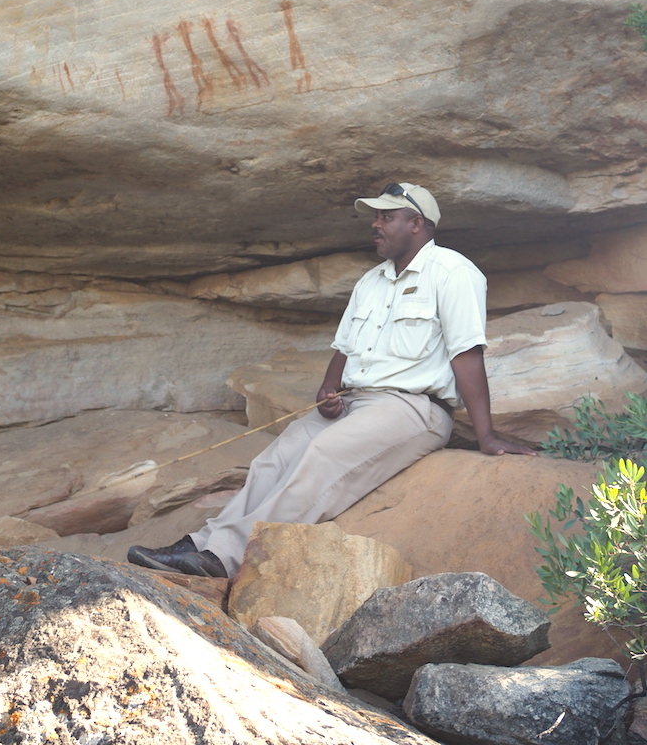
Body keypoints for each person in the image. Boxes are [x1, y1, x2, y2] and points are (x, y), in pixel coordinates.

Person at [128, 181, 535, 579]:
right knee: (276, 457)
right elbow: (344, 349)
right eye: (375, 217)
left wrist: (487, 436)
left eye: (386, 217)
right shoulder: (371, 281)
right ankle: (198, 547)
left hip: (413, 409)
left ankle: (225, 559)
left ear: (417, 223)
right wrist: (328, 391)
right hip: (354, 403)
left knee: (322, 454)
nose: (375, 224)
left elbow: (466, 354)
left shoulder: (453, 272)